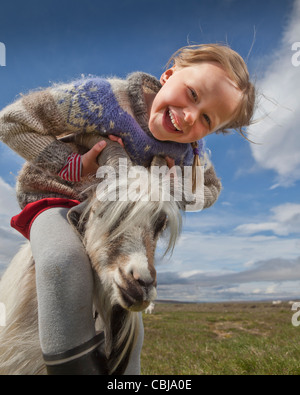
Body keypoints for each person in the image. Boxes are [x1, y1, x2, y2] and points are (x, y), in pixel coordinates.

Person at [0, 44, 256, 375]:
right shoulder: (101, 99)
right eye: (192, 93)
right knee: (62, 260)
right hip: (60, 197)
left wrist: (175, 189)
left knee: (131, 312)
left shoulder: (191, 153)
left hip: (128, 228)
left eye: (207, 118)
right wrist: (72, 165)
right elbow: (12, 122)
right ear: (169, 75)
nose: (191, 115)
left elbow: (211, 190)